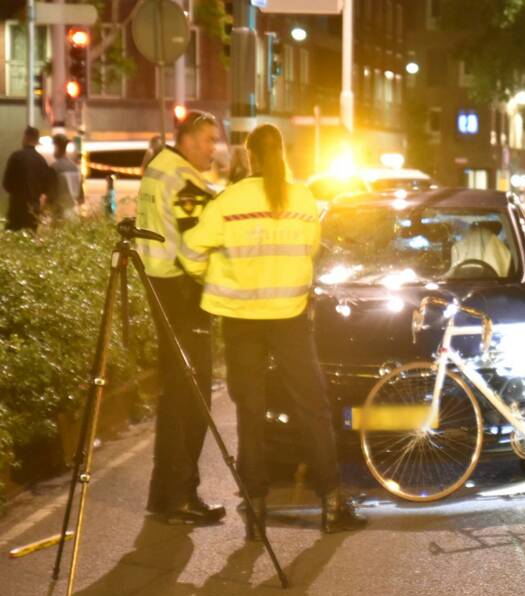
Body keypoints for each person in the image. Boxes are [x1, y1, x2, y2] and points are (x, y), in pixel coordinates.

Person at [180, 123, 367, 538]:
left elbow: (191, 251)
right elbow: (311, 249)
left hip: (241, 319)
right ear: (281, 155)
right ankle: (332, 502)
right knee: (312, 406)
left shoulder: (229, 201)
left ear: (250, 156)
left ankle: (257, 506)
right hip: (289, 317)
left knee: (250, 410)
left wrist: (209, 278)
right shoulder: (302, 200)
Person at [136, 110, 223, 525]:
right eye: (208, 140)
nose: (213, 149)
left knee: (175, 394)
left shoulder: (157, 167)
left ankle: (164, 494)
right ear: (187, 138)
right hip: (184, 293)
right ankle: (180, 495)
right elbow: (194, 251)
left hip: (159, 287)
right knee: (192, 397)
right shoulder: (186, 181)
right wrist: (224, 284)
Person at [3, 126, 54, 231]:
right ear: (36, 140)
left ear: (26, 137)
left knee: (13, 240)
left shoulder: (16, 157)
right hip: (33, 209)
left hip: (16, 208)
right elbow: (47, 187)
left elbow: (6, 183)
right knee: (30, 240)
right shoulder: (41, 161)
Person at [50, 133, 83, 221]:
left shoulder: (54, 167)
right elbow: (81, 198)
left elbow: (51, 194)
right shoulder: (75, 168)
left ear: (56, 147)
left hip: (58, 214)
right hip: (73, 214)